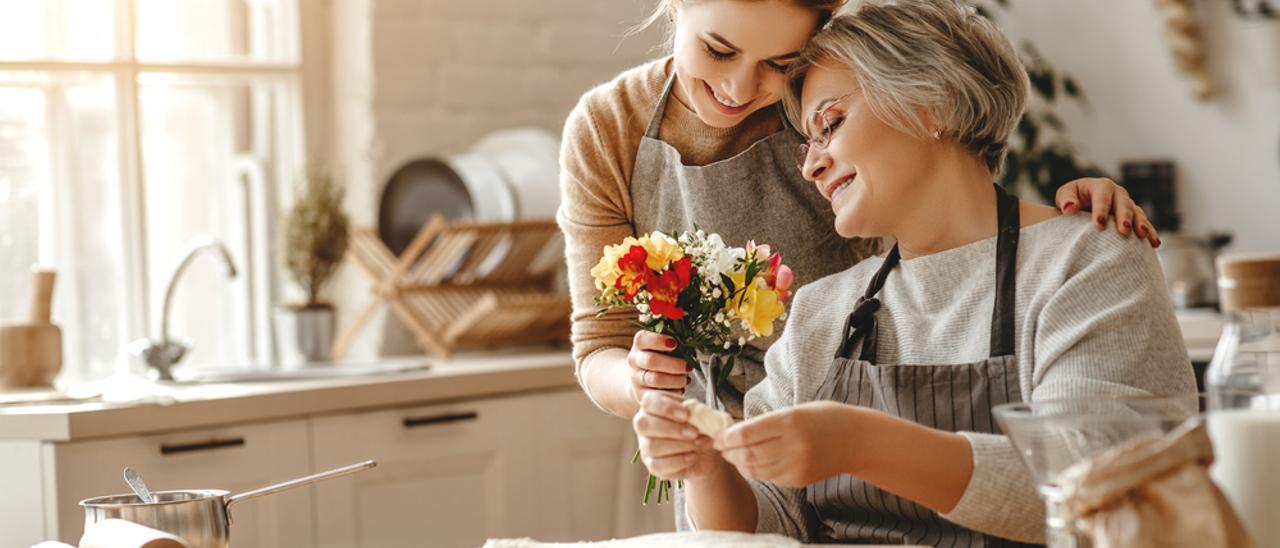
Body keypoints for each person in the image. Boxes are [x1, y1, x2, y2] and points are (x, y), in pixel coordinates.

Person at [628, 0, 1197, 544]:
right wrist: (705, 468)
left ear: (934, 104)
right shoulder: (822, 310)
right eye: (807, 141)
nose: (810, 164)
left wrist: (861, 443)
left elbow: (1099, 485)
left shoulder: (1086, 261)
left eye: (832, 123)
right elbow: (769, 522)